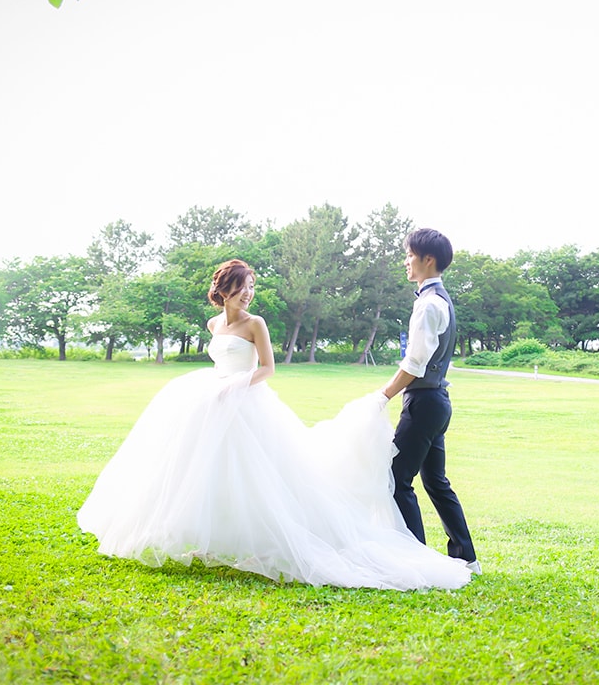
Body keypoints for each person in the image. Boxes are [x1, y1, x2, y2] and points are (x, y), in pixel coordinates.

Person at [77, 259, 471, 591]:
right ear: (223, 289)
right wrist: (218, 388)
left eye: (250, 287)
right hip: (211, 401)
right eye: (241, 286)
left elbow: (268, 368)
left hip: (247, 402)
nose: (247, 293)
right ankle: (205, 538)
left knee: (261, 476)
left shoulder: (256, 324)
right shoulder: (214, 326)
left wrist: (234, 386)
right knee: (202, 469)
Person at [377, 229, 480, 576]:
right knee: (435, 481)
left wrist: (384, 395)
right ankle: (466, 558)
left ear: (427, 260)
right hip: (438, 401)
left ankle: (415, 558)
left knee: (396, 478)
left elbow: (414, 363)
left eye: (409, 254)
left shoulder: (428, 304)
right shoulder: (440, 299)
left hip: (423, 403)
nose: (406, 261)